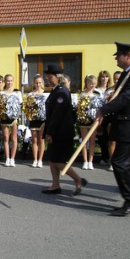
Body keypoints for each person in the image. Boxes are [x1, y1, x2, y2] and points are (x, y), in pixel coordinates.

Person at [96, 42, 130, 216]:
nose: (116, 59)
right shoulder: (127, 75)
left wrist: (104, 109)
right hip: (127, 126)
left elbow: (128, 97)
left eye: (118, 56)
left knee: (119, 163)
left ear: (128, 56)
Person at [42, 64, 87, 195]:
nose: (48, 79)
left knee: (58, 161)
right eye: (48, 76)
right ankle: (55, 185)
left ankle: (78, 180)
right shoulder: (57, 90)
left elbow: (57, 115)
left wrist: (50, 132)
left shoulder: (61, 91)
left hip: (60, 132)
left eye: (50, 76)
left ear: (57, 77)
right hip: (58, 130)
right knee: (52, 159)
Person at [0, 74, 21, 167]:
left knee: (14, 138)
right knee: (6, 138)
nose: (9, 82)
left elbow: (20, 105)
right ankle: (7, 158)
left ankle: (13, 159)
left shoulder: (17, 92)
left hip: (14, 119)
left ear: (13, 81)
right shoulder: (1, 93)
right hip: (4, 118)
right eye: (8, 81)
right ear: (5, 82)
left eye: (11, 81)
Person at [77, 75, 102, 170]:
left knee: (92, 141)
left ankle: (90, 161)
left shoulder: (97, 95)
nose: (92, 85)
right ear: (86, 83)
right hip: (83, 120)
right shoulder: (82, 95)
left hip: (93, 120)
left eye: (94, 84)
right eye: (90, 83)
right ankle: (85, 161)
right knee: (84, 141)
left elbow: (100, 107)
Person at [24, 74, 46, 168]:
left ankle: (40, 160)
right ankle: (35, 159)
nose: (38, 84)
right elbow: (27, 108)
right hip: (33, 119)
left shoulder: (45, 94)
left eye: (40, 82)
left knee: (41, 139)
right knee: (34, 140)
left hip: (42, 120)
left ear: (42, 83)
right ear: (34, 83)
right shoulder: (30, 94)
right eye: (36, 83)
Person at [95, 70, 112, 167]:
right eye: (102, 77)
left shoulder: (111, 90)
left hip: (109, 115)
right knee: (102, 137)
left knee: (111, 138)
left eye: (106, 77)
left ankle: (110, 157)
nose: (104, 79)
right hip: (99, 115)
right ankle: (104, 156)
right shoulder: (96, 90)